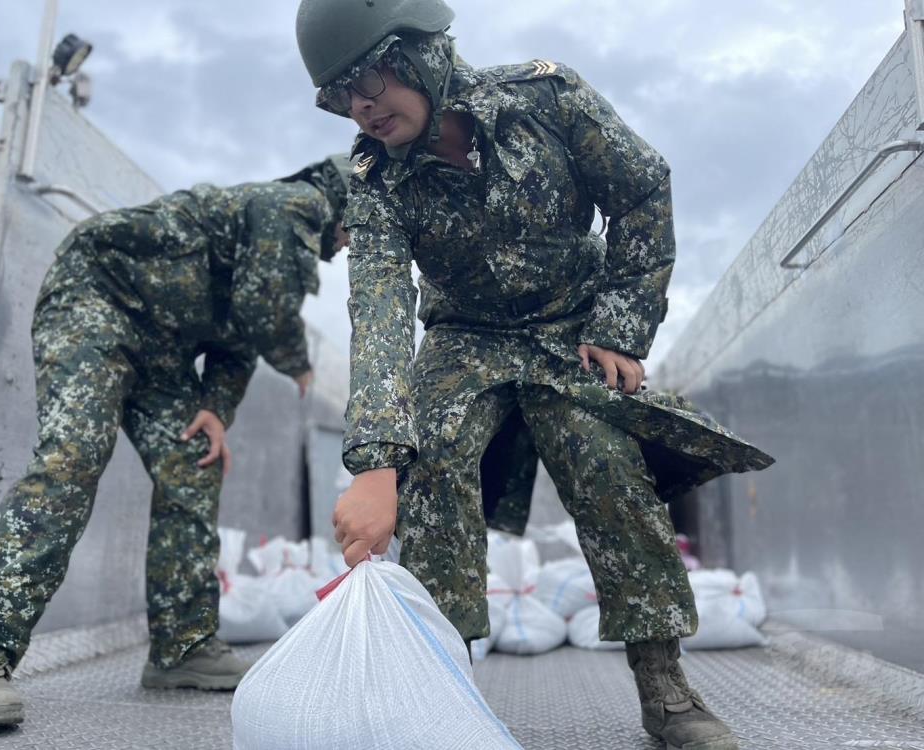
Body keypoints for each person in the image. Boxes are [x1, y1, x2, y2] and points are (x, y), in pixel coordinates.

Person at [295, 3, 773, 749]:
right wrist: (379, 461)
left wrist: (620, 328)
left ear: (422, 52)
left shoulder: (546, 100)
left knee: (605, 459)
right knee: (434, 455)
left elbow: (642, 188)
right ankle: (436, 693)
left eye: (367, 77)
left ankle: (666, 690)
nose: (359, 105)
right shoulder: (377, 183)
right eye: (337, 94)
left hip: (572, 330)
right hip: (465, 338)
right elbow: (381, 313)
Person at [0, 155, 351, 731]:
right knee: (71, 456)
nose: (355, 242)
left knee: (194, 459)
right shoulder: (292, 207)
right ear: (344, 199)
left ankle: (182, 648)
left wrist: (216, 410)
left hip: (160, 346)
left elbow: (236, 342)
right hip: (97, 298)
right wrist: (299, 365)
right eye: (359, 225)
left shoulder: (279, 233)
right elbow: (265, 311)